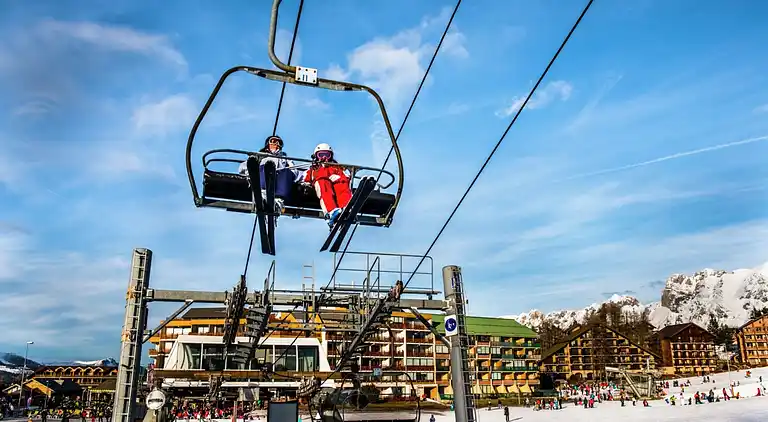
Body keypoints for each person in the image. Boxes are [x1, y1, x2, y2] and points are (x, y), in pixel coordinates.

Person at [238, 135, 302, 222]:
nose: (276, 144)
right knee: (264, 169)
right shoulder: (262, 157)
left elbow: (296, 172)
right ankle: (262, 198)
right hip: (263, 181)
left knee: (286, 171)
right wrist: (252, 168)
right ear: (267, 144)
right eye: (273, 141)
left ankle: (277, 203)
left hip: (280, 185)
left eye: (279, 143)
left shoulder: (285, 160)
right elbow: (242, 168)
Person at [303, 143, 352, 227]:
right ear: (316, 156)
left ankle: (346, 208)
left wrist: (339, 177)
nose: (324, 158)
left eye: (327, 155)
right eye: (321, 155)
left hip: (335, 184)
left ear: (331, 156)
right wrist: (305, 182)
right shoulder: (314, 168)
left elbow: (345, 177)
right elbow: (305, 178)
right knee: (323, 183)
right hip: (321, 184)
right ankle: (331, 211)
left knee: (342, 185)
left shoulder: (336, 167)